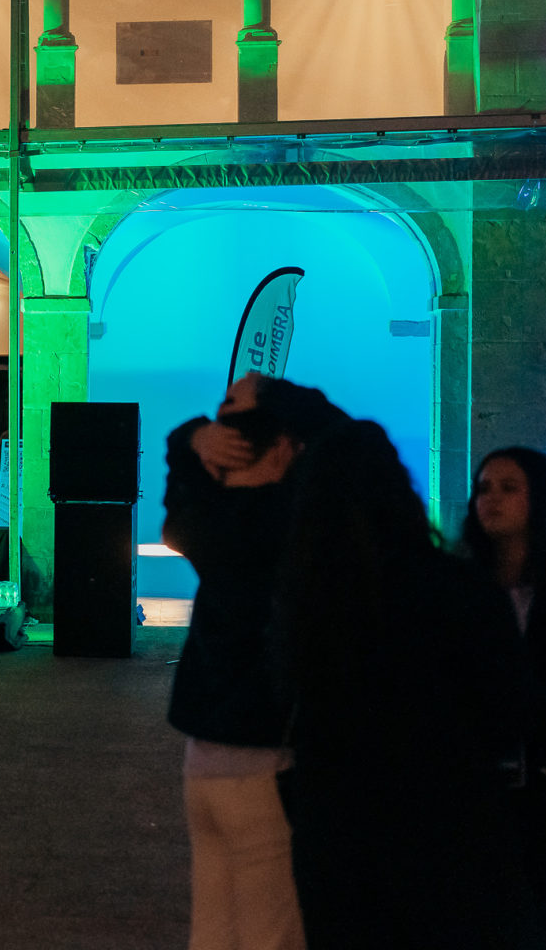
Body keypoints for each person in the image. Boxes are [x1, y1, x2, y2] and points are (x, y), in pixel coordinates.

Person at [278, 421, 535, 949]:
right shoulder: (463, 588)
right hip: (450, 821)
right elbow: (508, 706)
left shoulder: (309, 603)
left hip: (338, 825)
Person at [162, 372, 344, 950]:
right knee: (272, 931)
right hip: (266, 759)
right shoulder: (299, 528)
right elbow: (344, 438)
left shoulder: (208, 522)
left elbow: (179, 496)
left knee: (212, 928)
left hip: (204, 753)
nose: (220, 411)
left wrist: (190, 439)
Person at [462, 447, 546, 950]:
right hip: (475, 794)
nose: (491, 499)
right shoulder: (457, 592)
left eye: (508, 488)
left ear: (541, 499)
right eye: (483, 488)